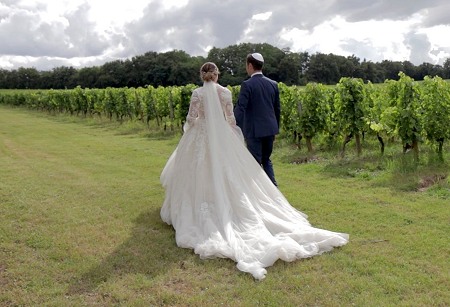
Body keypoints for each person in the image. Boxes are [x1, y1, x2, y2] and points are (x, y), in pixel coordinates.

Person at [160, 62, 348, 280]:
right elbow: (231, 120)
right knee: (229, 173)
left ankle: (200, 205)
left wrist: (195, 128)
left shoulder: (197, 93)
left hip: (201, 137)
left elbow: (192, 119)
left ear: (202, 76)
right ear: (217, 75)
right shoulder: (226, 92)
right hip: (223, 138)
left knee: (198, 172)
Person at [234, 53, 280, 186]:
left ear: (250, 65)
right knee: (266, 160)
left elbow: (241, 107)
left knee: (254, 163)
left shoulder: (247, 85)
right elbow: (277, 109)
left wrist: (232, 125)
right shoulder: (273, 84)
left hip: (254, 131)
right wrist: (275, 128)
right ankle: (274, 191)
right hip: (270, 130)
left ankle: (257, 195)